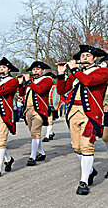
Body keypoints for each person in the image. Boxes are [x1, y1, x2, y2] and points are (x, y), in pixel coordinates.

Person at [57, 45, 108, 195]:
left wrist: (74, 70)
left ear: (95, 58)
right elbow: (62, 90)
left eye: (87, 55)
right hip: (73, 112)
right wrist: (61, 74)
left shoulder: (102, 71)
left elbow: (88, 81)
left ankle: (84, 181)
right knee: (76, 147)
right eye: (82, 56)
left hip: (90, 114)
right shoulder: (77, 73)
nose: (84, 58)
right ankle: (90, 170)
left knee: (86, 146)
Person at [17, 61, 53, 166]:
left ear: (42, 70)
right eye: (33, 69)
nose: (35, 71)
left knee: (35, 132)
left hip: (39, 110)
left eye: (37, 69)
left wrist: (28, 82)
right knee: (33, 133)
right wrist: (20, 83)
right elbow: (21, 93)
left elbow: (40, 90)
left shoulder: (47, 79)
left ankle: (32, 157)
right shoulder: (31, 82)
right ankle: (41, 152)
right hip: (28, 110)